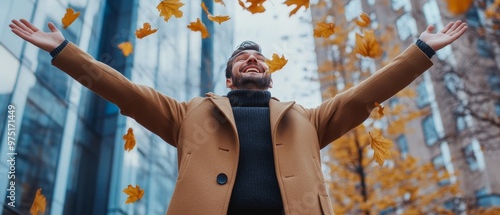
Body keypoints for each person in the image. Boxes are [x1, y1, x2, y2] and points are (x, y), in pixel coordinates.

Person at [9, 19, 467, 215]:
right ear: (229, 77)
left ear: (267, 73)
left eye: (259, 57)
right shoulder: (188, 114)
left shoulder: (307, 119)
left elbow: (367, 94)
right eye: (243, 58)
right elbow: (123, 91)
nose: (253, 60)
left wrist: (421, 49)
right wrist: (66, 53)